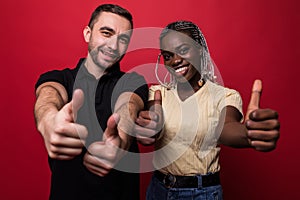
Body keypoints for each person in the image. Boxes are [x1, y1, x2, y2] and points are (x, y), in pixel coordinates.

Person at [135, 21, 280, 200]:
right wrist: (149, 127)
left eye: (183, 50)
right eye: (167, 56)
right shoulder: (157, 93)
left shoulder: (224, 96)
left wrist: (248, 133)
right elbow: (151, 120)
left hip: (201, 193)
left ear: (200, 50)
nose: (175, 60)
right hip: (159, 190)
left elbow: (226, 128)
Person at [34, 4, 148, 200]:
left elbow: (128, 106)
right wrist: (48, 121)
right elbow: (48, 95)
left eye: (123, 40)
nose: (113, 46)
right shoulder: (59, 78)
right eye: (106, 33)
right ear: (88, 34)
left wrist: (120, 140)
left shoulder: (133, 81)